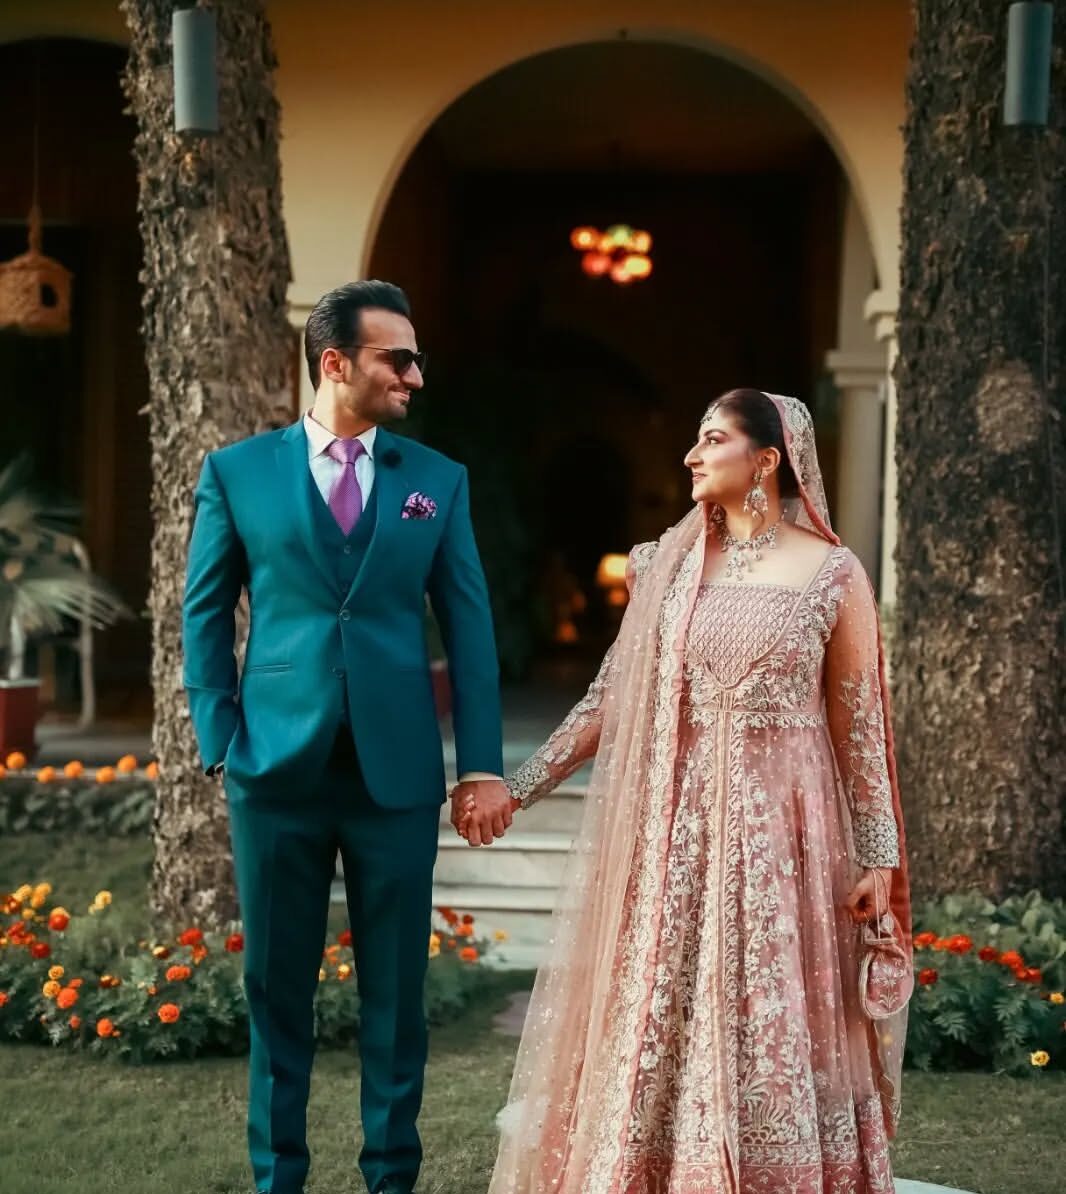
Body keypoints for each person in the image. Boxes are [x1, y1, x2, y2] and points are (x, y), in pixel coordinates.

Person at [463, 389, 912, 1193]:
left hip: (790, 844)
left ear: (767, 461)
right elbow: (608, 700)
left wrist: (878, 860)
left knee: (773, 1018)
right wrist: (518, 789)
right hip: (680, 837)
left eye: (712, 440)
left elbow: (861, 730)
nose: (691, 457)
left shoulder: (834, 574)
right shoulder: (664, 568)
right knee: (668, 1008)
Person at [182, 279, 512, 1194]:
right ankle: (277, 1179)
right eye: (395, 358)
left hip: (397, 776)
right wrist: (222, 738)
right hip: (273, 771)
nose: (415, 374)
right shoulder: (236, 473)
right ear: (336, 363)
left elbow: (471, 633)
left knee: (396, 999)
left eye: (416, 358)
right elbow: (203, 616)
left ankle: (390, 1178)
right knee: (276, 994)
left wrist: (480, 764)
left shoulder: (437, 482)